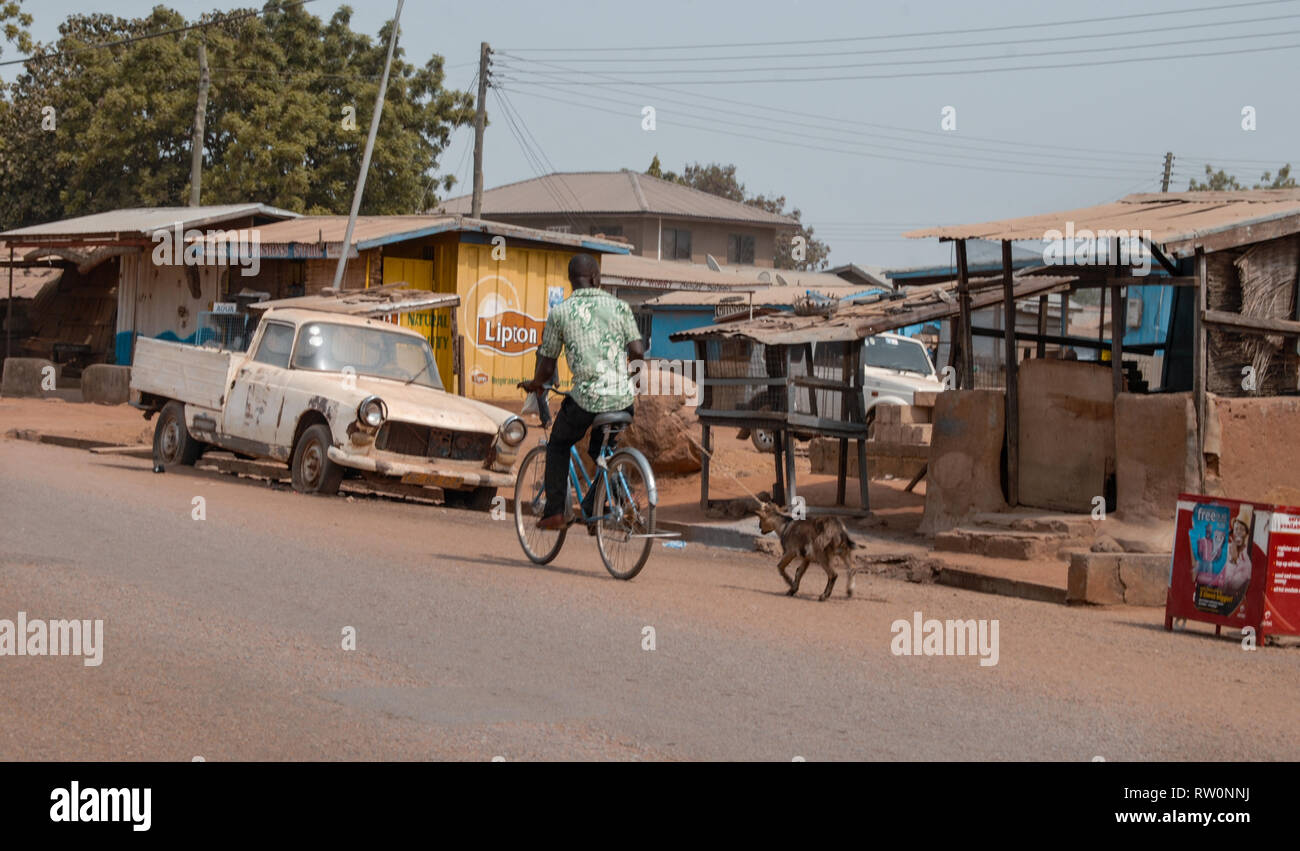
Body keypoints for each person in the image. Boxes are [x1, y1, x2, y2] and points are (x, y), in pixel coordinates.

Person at [518, 254, 645, 530]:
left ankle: (555, 512)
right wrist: (631, 382)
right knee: (604, 452)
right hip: (622, 399)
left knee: (559, 444)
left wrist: (536, 383)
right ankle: (590, 505)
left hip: (587, 400)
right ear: (596, 279)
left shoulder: (561, 312)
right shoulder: (620, 307)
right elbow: (636, 351)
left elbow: (548, 363)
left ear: (571, 281)